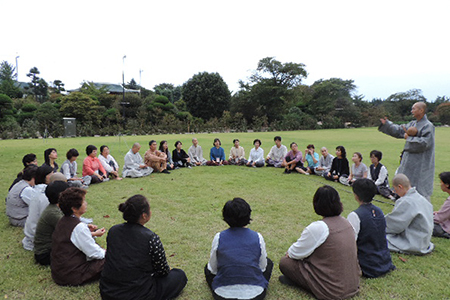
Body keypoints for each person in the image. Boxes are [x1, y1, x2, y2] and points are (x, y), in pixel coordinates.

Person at [279, 185, 361, 300]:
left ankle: (309, 285)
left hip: (332, 291)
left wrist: (290, 254)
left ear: (317, 203)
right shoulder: (347, 223)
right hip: (352, 285)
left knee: (285, 262)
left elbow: (294, 253)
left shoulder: (319, 227)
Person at [100, 195, 188, 300]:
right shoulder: (150, 237)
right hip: (138, 294)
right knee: (179, 275)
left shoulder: (113, 231)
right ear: (144, 216)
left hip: (108, 291)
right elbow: (162, 271)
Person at [205, 198, 273, 300]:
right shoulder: (258, 237)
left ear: (225, 217)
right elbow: (262, 267)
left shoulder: (219, 237)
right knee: (269, 263)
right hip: (255, 295)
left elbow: (213, 269)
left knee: (207, 268)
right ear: (248, 216)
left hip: (222, 295)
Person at [379, 102, 435, 200]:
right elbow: (400, 130)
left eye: (414, 109)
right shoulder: (413, 123)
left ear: (421, 110)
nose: (411, 111)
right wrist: (387, 124)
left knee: (419, 190)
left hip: (421, 163)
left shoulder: (428, 126)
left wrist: (408, 138)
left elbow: (425, 143)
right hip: (409, 161)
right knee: (405, 187)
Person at [51, 187, 106, 286]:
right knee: (111, 258)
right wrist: (108, 253)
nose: (86, 203)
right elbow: (94, 253)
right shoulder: (78, 227)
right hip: (71, 275)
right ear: (74, 208)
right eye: (83, 201)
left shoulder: (63, 220)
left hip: (59, 272)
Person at [347, 179, 396, 278]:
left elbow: (350, 244)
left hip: (367, 266)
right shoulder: (379, 211)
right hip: (384, 261)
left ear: (356, 195)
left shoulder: (355, 215)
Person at [385, 174, 434, 255]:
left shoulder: (406, 201)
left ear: (400, 187)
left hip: (413, 242)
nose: (394, 192)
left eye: (395, 189)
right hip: (424, 241)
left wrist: (378, 225)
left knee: (378, 238)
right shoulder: (422, 199)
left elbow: (395, 225)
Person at [34, 181, 70, 266]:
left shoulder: (55, 208)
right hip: (45, 254)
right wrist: (93, 233)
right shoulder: (53, 213)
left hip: (51, 248)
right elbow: (71, 232)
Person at [22, 165, 54, 251]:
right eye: (51, 174)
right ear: (44, 176)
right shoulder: (44, 195)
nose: (53, 176)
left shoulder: (35, 190)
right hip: (37, 236)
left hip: (31, 233)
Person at [433, 172, 450, 239]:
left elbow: (438, 219)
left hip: (446, 229)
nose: (440, 184)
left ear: (447, 185)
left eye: (441, 182)